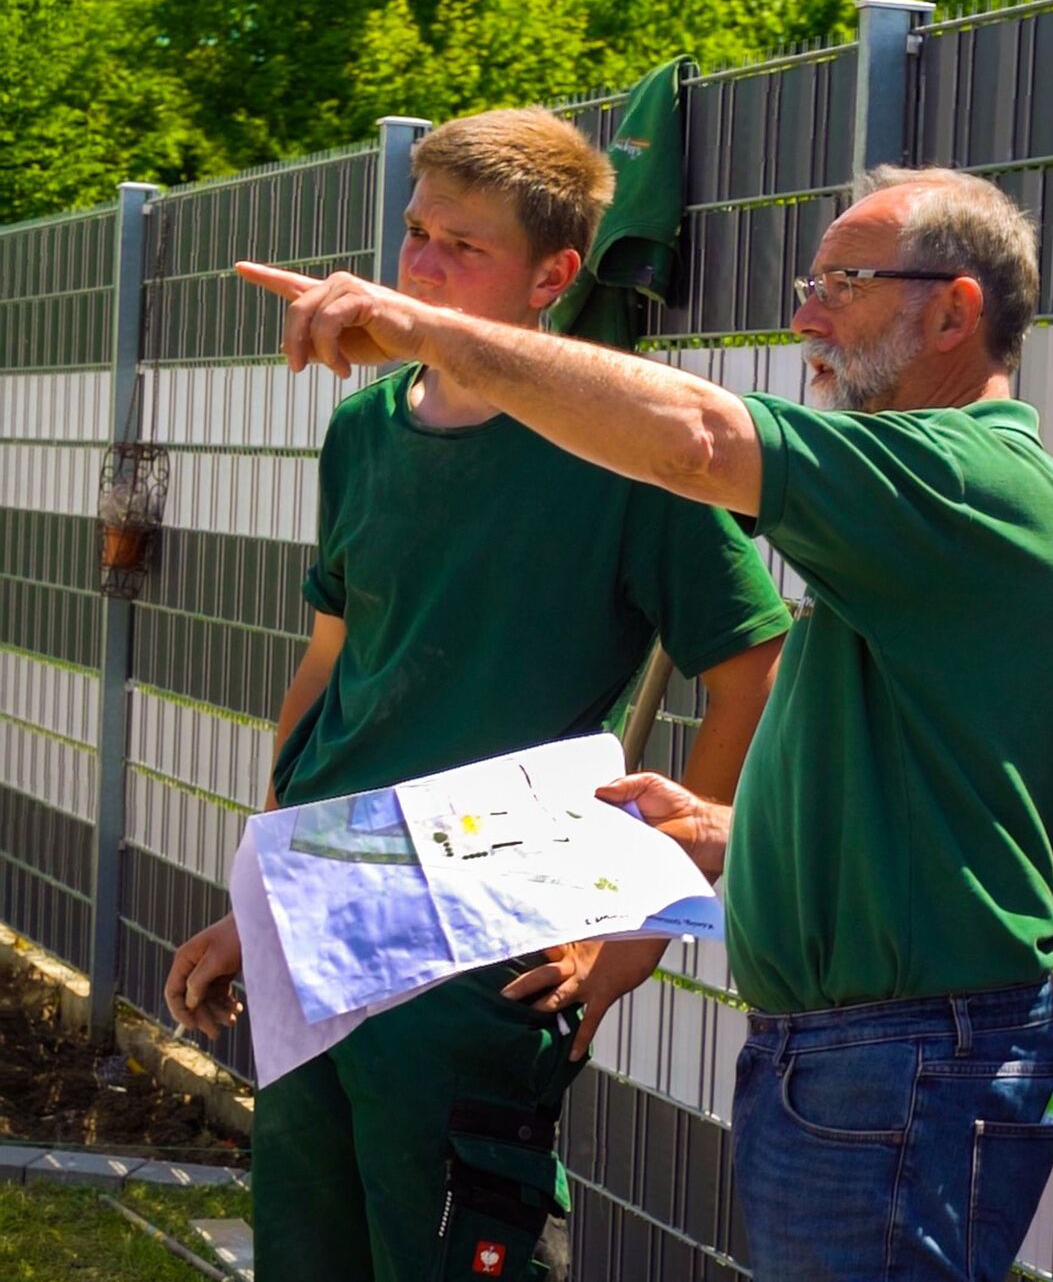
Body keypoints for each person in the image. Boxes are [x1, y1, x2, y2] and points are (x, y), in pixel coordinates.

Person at [238, 164, 1053, 1282]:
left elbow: (694, 438)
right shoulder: (924, 501)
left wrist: (430, 332)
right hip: (868, 1051)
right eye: (809, 284)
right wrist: (735, 831)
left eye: (843, 284)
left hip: (906, 1053)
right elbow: (931, 789)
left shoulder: (970, 479)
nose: (806, 317)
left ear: (955, 310)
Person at [164, 107, 791, 1282]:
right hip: (325, 928)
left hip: (483, 943)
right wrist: (267, 898)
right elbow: (331, 669)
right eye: (416, 231)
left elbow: (753, 668)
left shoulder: (622, 447)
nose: (422, 264)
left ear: (553, 276)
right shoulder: (362, 429)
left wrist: (638, 926)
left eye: (464, 245)